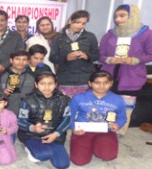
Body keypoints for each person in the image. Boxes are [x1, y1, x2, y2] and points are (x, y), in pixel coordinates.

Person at [99, 4, 152, 135]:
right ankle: (104, 130)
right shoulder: (110, 34)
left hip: (131, 76)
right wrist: (110, 59)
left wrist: (134, 60)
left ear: (132, 16)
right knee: (107, 104)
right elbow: (100, 55)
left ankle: (119, 132)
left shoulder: (145, 34)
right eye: (116, 16)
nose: (118, 19)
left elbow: (150, 54)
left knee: (126, 106)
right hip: (109, 75)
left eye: (122, 16)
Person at [69, 70, 127, 166]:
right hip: (82, 130)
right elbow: (69, 116)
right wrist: (73, 127)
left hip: (106, 130)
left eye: (106, 83)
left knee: (108, 156)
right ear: (90, 83)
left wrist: (118, 125)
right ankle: (87, 145)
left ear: (111, 83)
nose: (101, 86)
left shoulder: (118, 99)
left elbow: (122, 117)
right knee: (79, 161)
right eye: (97, 83)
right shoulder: (78, 98)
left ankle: (96, 145)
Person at [18, 71, 71, 169]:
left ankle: (47, 147)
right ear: (36, 85)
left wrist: (56, 134)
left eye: (50, 84)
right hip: (32, 135)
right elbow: (21, 121)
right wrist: (33, 128)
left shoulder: (64, 100)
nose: (47, 87)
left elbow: (67, 119)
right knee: (43, 155)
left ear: (55, 84)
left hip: (55, 135)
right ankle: (29, 147)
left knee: (62, 165)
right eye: (42, 84)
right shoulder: (27, 100)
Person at [50, 10, 99, 98]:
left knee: (84, 105)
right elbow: (52, 58)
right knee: (65, 105)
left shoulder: (90, 37)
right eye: (77, 22)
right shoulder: (59, 38)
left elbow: (96, 55)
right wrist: (66, 58)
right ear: (70, 21)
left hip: (84, 78)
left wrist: (87, 56)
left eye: (83, 23)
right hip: (65, 78)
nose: (80, 25)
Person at [0, 50, 34, 115]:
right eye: (17, 59)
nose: (20, 62)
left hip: (27, 113)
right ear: (11, 60)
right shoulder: (0, 76)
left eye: (24, 59)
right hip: (5, 113)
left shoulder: (33, 76)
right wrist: (3, 94)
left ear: (28, 62)